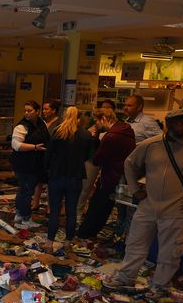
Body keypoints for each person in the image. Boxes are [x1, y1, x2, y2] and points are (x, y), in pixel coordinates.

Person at [103, 109, 183, 296]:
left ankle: (159, 286)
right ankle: (124, 279)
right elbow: (129, 164)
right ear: (169, 125)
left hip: (176, 209)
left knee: (170, 252)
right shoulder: (150, 145)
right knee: (135, 245)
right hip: (148, 205)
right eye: (181, 123)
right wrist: (135, 189)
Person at [76, 106, 135, 240]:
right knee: (111, 208)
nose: (95, 124)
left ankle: (85, 233)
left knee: (98, 206)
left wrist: (95, 137)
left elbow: (97, 159)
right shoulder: (126, 129)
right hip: (122, 175)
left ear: (103, 119)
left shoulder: (110, 137)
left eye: (96, 121)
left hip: (110, 176)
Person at [43, 106, 92, 252]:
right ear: (79, 117)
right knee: (72, 211)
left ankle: (49, 242)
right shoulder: (86, 134)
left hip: (57, 176)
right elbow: (87, 156)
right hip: (75, 177)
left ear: (65, 116)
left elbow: (48, 154)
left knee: (55, 211)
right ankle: (67, 243)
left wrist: (47, 170)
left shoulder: (57, 132)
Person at [10, 100, 49, 228]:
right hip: (23, 164)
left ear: (37, 112)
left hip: (36, 164)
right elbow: (16, 145)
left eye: (29, 110)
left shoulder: (41, 123)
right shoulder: (21, 126)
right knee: (25, 190)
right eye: (25, 110)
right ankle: (25, 218)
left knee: (26, 189)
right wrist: (34, 147)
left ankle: (20, 215)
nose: (26, 113)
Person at [77, 100, 114, 222]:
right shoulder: (94, 123)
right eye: (102, 109)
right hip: (92, 158)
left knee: (103, 190)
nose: (104, 111)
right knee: (85, 187)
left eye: (107, 109)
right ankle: (78, 213)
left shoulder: (115, 125)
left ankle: (95, 215)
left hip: (109, 161)